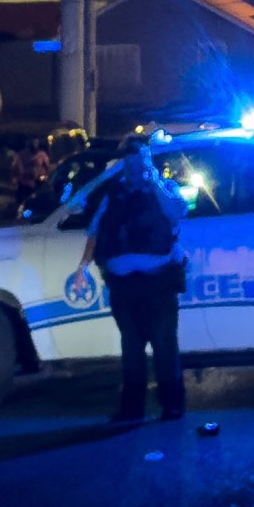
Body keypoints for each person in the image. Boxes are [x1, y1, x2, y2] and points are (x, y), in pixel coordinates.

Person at [76, 151, 188, 423]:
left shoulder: (163, 189)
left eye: (142, 161)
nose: (136, 167)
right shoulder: (113, 196)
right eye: (131, 162)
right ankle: (132, 408)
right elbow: (95, 232)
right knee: (131, 348)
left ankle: (171, 406)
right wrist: (82, 268)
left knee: (163, 345)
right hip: (124, 287)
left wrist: (154, 181)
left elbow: (176, 213)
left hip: (158, 282)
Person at [11, 138, 53, 211]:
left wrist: (45, 176)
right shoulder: (21, 155)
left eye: (36, 144)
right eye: (33, 144)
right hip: (24, 182)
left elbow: (47, 167)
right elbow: (15, 167)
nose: (34, 146)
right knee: (22, 201)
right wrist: (15, 178)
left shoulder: (42, 155)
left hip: (38, 182)